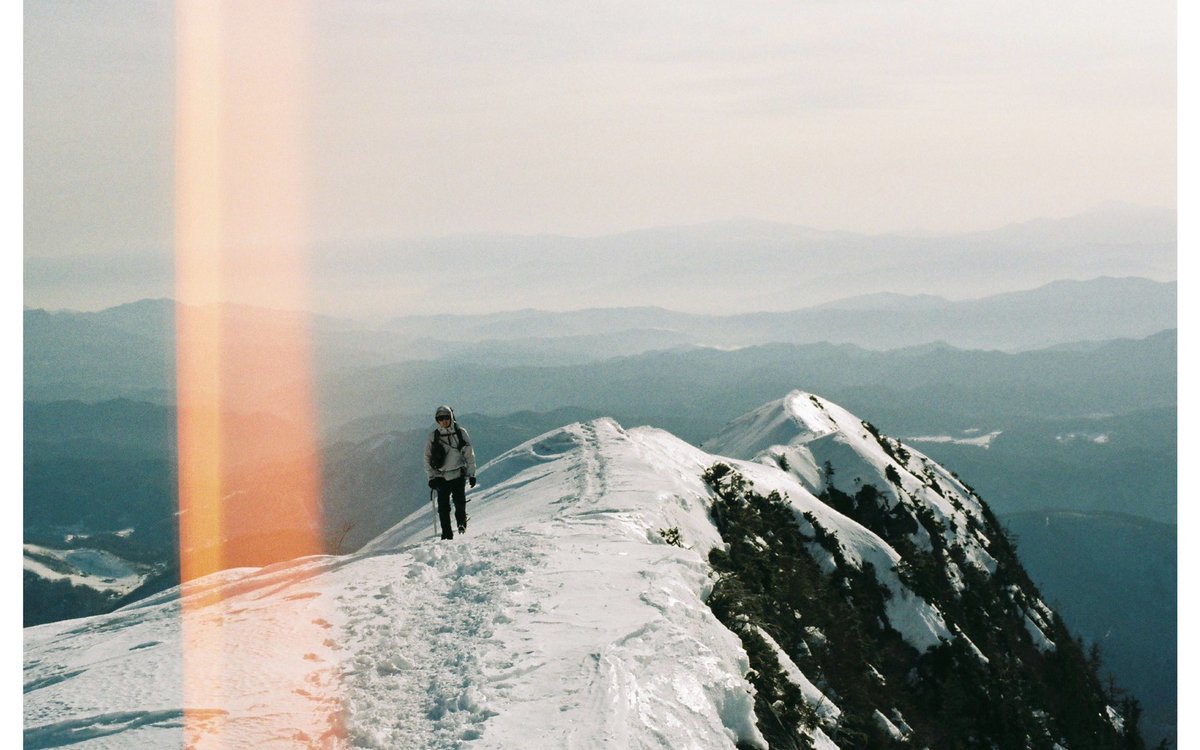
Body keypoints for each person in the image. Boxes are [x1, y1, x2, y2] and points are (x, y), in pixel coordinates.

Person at [425, 405, 477, 540]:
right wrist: (431, 477)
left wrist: (472, 474)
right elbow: (427, 458)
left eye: (446, 417)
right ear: (437, 420)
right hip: (441, 477)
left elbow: (469, 454)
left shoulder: (460, 433)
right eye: (440, 418)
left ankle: (461, 522)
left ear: (451, 417)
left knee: (459, 502)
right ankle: (447, 534)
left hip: (458, 474)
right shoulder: (434, 437)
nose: (444, 421)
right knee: (443, 508)